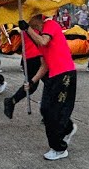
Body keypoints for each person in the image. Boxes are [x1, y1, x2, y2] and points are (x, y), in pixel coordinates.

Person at [23, 13, 77, 160]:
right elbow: (45, 65)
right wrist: (32, 81)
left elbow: (44, 41)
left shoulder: (51, 25)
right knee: (45, 109)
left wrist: (27, 29)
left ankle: (59, 148)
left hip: (65, 73)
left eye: (30, 17)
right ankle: (68, 128)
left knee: (55, 112)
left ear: (38, 17)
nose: (28, 21)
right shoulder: (39, 35)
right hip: (54, 75)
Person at [4, 25, 43, 119]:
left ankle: (12, 101)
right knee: (37, 84)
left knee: (33, 85)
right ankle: (48, 112)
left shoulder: (25, 21)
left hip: (30, 56)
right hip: (37, 56)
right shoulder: (38, 21)